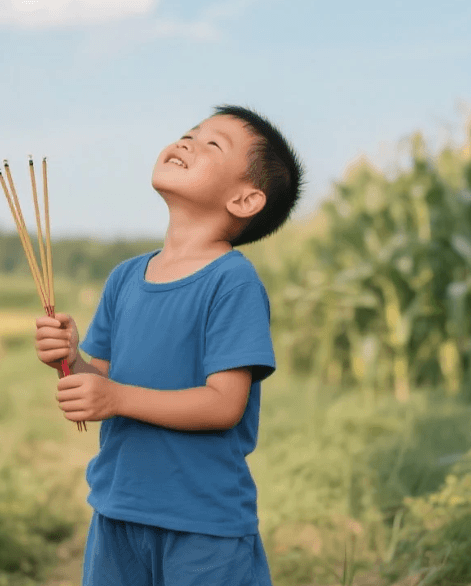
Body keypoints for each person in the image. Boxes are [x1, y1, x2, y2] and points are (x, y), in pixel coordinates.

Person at [34, 104, 304, 586]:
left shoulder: (232, 281)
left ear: (245, 200)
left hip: (202, 523)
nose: (186, 142)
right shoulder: (125, 277)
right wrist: (72, 360)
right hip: (118, 507)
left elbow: (225, 405)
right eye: (188, 133)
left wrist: (115, 398)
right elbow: (105, 382)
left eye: (212, 144)